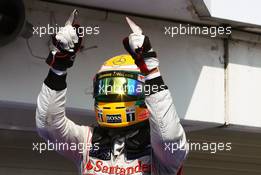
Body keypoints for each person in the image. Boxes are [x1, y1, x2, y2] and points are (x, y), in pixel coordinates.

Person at [35, 14, 188, 175]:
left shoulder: (161, 151)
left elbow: (169, 137)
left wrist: (151, 72)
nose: (114, 94)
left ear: (145, 93)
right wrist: (58, 67)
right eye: (107, 87)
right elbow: (47, 126)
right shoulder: (86, 141)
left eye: (125, 87)